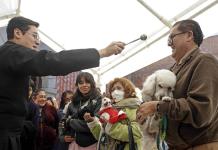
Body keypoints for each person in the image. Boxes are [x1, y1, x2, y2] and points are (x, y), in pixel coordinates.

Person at [0, 16, 125, 150]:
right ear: (17, 33)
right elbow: (53, 60)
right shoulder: (10, 52)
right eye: (34, 36)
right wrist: (101, 53)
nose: (37, 42)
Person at [136, 19, 218, 150]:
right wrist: (147, 114)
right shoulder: (173, 69)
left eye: (171, 38)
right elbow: (165, 105)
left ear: (189, 35)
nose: (169, 44)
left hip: (201, 145)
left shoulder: (204, 61)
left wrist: (156, 107)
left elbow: (201, 110)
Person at [84, 77, 143, 150]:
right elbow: (103, 137)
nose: (115, 92)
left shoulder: (136, 109)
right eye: (112, 90)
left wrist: (111, 126)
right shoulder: (110, 109)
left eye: (118, 88)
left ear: (128, 90)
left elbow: (137, 133)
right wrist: (92, 123)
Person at [63, 72, 102, 150]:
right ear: (77, 85)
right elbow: (63, 121)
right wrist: (62, 136)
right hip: (73, 143)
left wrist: (71, 122)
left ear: (92, 84)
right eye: (81, 83)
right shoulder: (73, 101)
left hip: (92, 144)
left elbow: (96, 125)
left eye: (87, 82)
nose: (84, 85)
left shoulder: (99, 100)